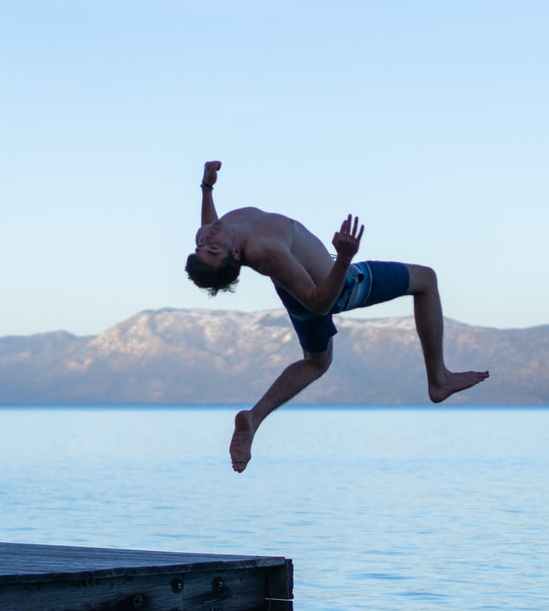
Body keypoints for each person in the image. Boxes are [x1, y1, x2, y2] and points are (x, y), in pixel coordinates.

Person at [184, 160, 488, 471]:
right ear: (235, 254)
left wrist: (207, 188)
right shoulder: (266, 251)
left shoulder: (213, 233)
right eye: (211, 249)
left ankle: (254, 418)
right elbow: (320, 304)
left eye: (201, 246)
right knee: (426, 280)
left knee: (317, 362)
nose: (206, 239)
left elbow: (208, 226)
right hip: (338, 287)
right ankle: (438, 379)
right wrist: (343, 258)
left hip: (296, 290)